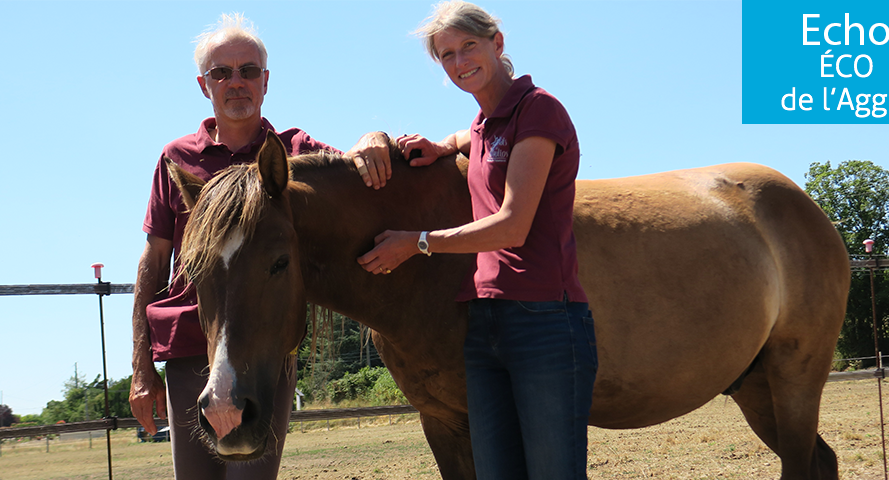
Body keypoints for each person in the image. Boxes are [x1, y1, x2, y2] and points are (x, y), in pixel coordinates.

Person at [129, 13, 392, 480]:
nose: (236, 82)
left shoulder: (293, 151)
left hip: (265, 347)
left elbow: (353, 176)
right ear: (203, 84)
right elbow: (153, 260)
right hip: (189, 344)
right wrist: (141, 366)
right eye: (221, 72)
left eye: (248, 70)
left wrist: (376, 138)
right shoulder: (176, 159)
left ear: (265, 81)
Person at [356, 2, 597, 478]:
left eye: (469, 46)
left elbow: (512, 226)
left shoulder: (538, 110)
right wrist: (446, 145)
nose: (460, 62)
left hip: (544, 319)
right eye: (447, 55)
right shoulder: (484, 124)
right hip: (484, 323)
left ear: (497, 44)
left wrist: (417, 242)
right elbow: (475, 137)